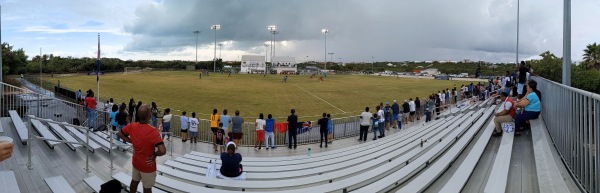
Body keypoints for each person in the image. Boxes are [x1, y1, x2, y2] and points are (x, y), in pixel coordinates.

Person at [117, 104, 166, 193]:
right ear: (149, 116)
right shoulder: (153, 131)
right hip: (148, 165)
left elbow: (119, 134)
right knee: (147, 188)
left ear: (138, 115)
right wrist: (154, 154)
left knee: (134, 182)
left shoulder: (132, 126)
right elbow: (162, 151)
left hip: (136, 162)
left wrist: (132, 141)